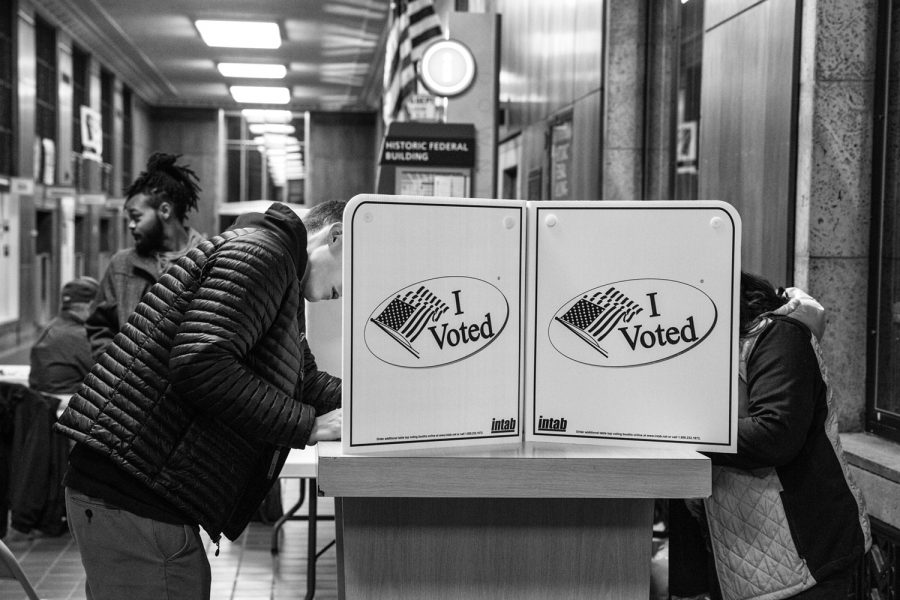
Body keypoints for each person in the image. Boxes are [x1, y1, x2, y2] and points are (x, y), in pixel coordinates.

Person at [55, 200, 345, 600]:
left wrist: (372, 399)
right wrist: (306, 426)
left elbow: (303, 379)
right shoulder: (261, 255)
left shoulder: (280, 270)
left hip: (137, 487)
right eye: (357, 270)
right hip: (134, 490)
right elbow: (201, 363)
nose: (348, 292)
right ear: (336, 237)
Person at [669, 272, 871, 600]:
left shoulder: (776, 335)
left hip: (805, 558)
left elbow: (775, 432)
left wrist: (669, 431)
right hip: (739, 556)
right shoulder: (697, 349)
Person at [86, 152, 205, 360]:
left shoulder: (208, 261)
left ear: (165, 211)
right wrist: (114, 366)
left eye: (136, 217)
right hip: (130, 388)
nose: (131, 225)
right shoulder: (122, 264)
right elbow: (99, 325)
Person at [29, 276, 100, 401]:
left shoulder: (51, 327)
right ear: (90, 305)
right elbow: (108, 378)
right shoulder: (80, 335)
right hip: (71, 406)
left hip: (44, 404)